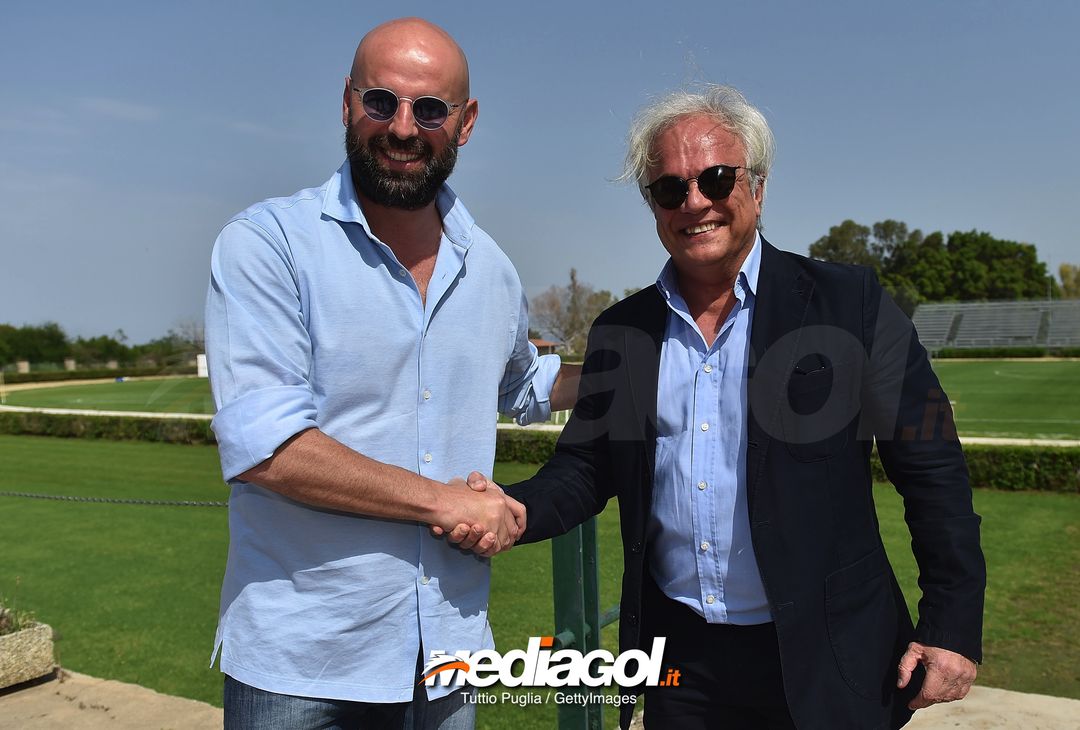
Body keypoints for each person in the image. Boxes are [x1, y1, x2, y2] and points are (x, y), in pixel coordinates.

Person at [449, 85, 985, 729]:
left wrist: (952, 625)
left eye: (716, 179)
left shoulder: (851, 303)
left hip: (828, 656)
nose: (694, 202)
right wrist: (515, 510)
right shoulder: (627, 330)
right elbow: (587, 467)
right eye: (670, 189)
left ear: (757, 188)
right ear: (653, 205)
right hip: (685, 669)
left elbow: (933, 468)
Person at [204, 17, 578, 730]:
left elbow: (524, 385)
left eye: (430, 109)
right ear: (347, 103)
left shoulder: (490, 267)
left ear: (464, 124)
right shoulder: (267, 244)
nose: (403, 127)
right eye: (382, 101)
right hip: (304, 663)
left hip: (448, 655)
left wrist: (635, 365)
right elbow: (268, 448)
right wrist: (446, 502)